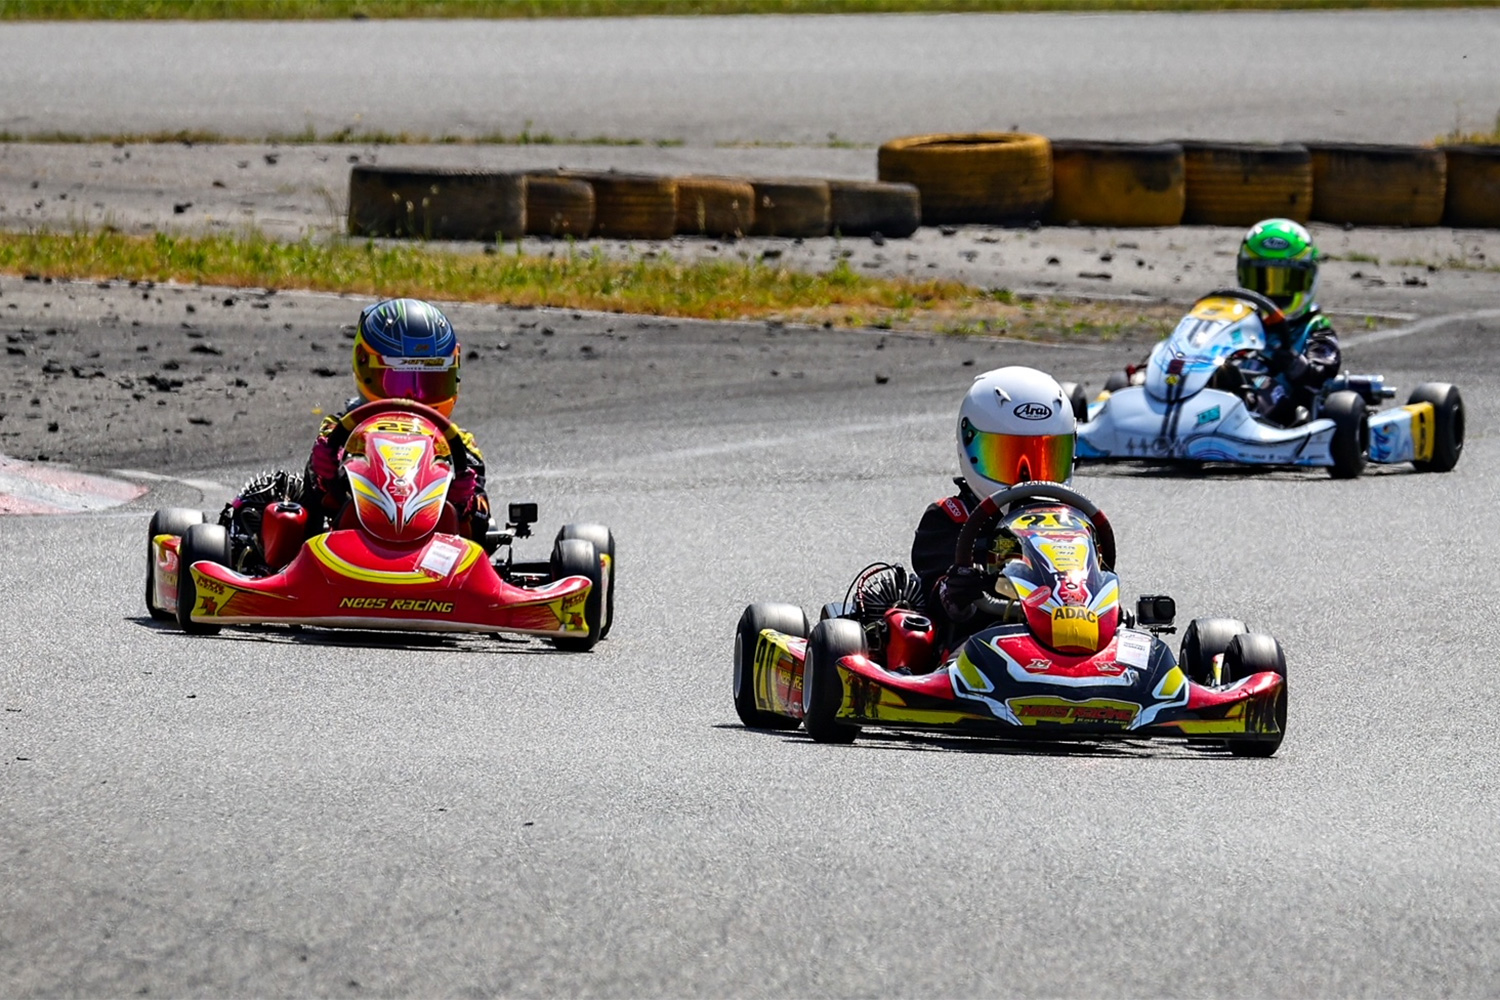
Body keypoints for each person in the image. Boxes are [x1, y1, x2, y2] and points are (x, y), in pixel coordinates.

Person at [910, 366, 1084, 649]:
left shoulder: (1075, 522)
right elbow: (939, 598)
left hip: (1065, 635)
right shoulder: (950, 518)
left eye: (1045, 459)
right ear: (970, 447)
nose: (1028, 480)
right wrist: (956, 591)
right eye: (1007, 458)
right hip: (975, 646)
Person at [303, 297, 491, 540]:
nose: (412, 398)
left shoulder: (459, 443)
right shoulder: (340, 431)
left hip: (434, 550)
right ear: (364, 364)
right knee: (289, 518)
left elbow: (480, 523)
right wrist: (325, 477)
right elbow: (314, 503)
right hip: (349, 539)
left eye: (429, 384)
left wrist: (465, 503)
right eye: (400, 383)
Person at [1235, 218, 1342, 427]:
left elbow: (1320, 373)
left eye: (1284, 282)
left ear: (1307, 279)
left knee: (1260, 384)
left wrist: (1293, 363)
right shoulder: (1241, 323)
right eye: (1262, 281)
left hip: (1290, 411)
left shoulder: (1315, 328)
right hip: (1235, 393)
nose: (1272, 295)